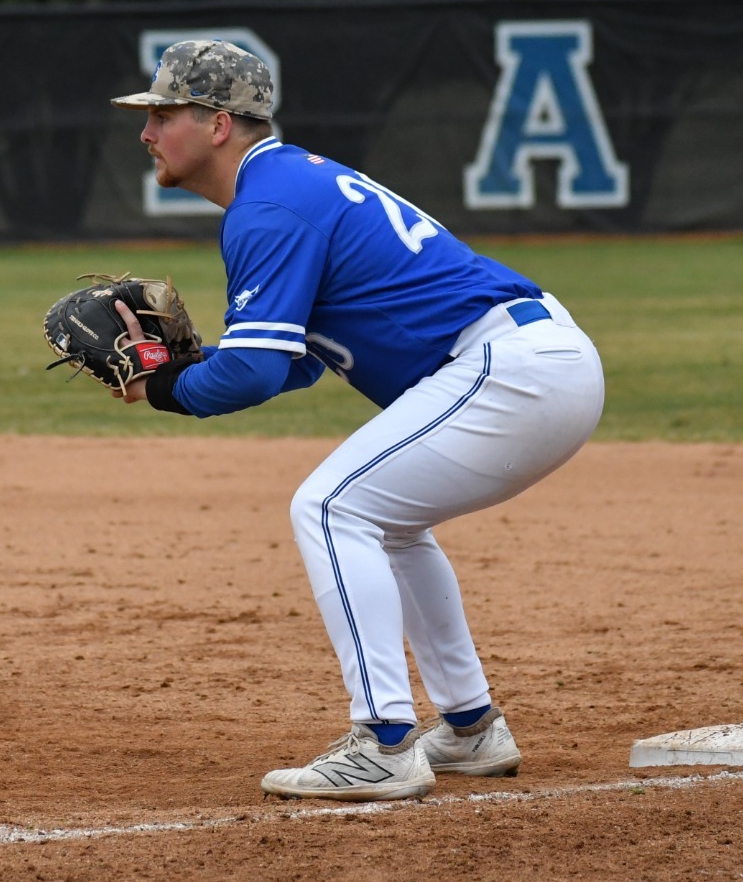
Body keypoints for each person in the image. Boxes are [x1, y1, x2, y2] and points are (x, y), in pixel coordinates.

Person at [107, 40, 604, 800]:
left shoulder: (266, 207)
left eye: (163, 114)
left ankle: (385, 742)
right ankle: (470, 728)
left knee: (331, 505)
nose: (146, 133)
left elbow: (258, 372)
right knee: (388, 521)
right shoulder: (289, 183)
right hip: (533, 360)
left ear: (217, 125)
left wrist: (167, 384)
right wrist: (194, 363)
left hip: (510, 369)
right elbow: (299, 357)